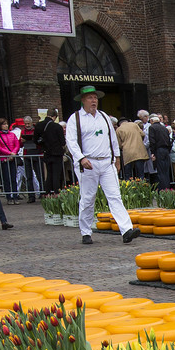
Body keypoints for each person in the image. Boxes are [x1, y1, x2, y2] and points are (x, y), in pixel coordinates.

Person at [65, 86, 139, 244]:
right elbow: (71, 142)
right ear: (83, 100)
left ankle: (126, 230)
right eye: (90, 98)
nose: (94, 101)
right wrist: (81, 158)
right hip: (88, 163)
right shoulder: (75, 118)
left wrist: (117, 158)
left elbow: (112, 138)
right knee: (88, 198)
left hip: (106, 162)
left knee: (115, 196)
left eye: (95, 98)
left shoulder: (104, 117)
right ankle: (85, 232)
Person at [36, 111, 71, 193]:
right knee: (56, 175)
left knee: (49, 175)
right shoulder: (57, 127)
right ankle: (56, 193)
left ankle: (47, 193)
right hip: (57, 154)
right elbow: (62, 142)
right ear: (55, 116)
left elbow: (35, 140)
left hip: (46, 152)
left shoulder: (39, 125)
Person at [118, 111, 148, 180]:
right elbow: (143, 134)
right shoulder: (134, 125)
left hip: (127, 153)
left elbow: (119, 144)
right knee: (140, 173)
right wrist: (139, 141)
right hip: (139, 151)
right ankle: (142, 188)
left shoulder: (119, 129)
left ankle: (129, 188)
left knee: (128, 174)